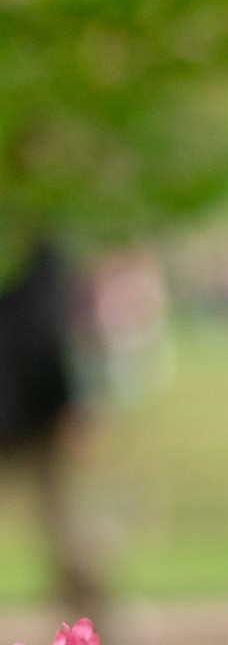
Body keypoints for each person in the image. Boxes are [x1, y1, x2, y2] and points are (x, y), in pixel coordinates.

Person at [0, 242, 100, 616]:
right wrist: (66, 402)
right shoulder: (35, 252)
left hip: (25, 404)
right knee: (61, 520)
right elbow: (44, 333)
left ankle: (87, 618)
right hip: (32, 407)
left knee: (60, 520)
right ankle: (88, 620)